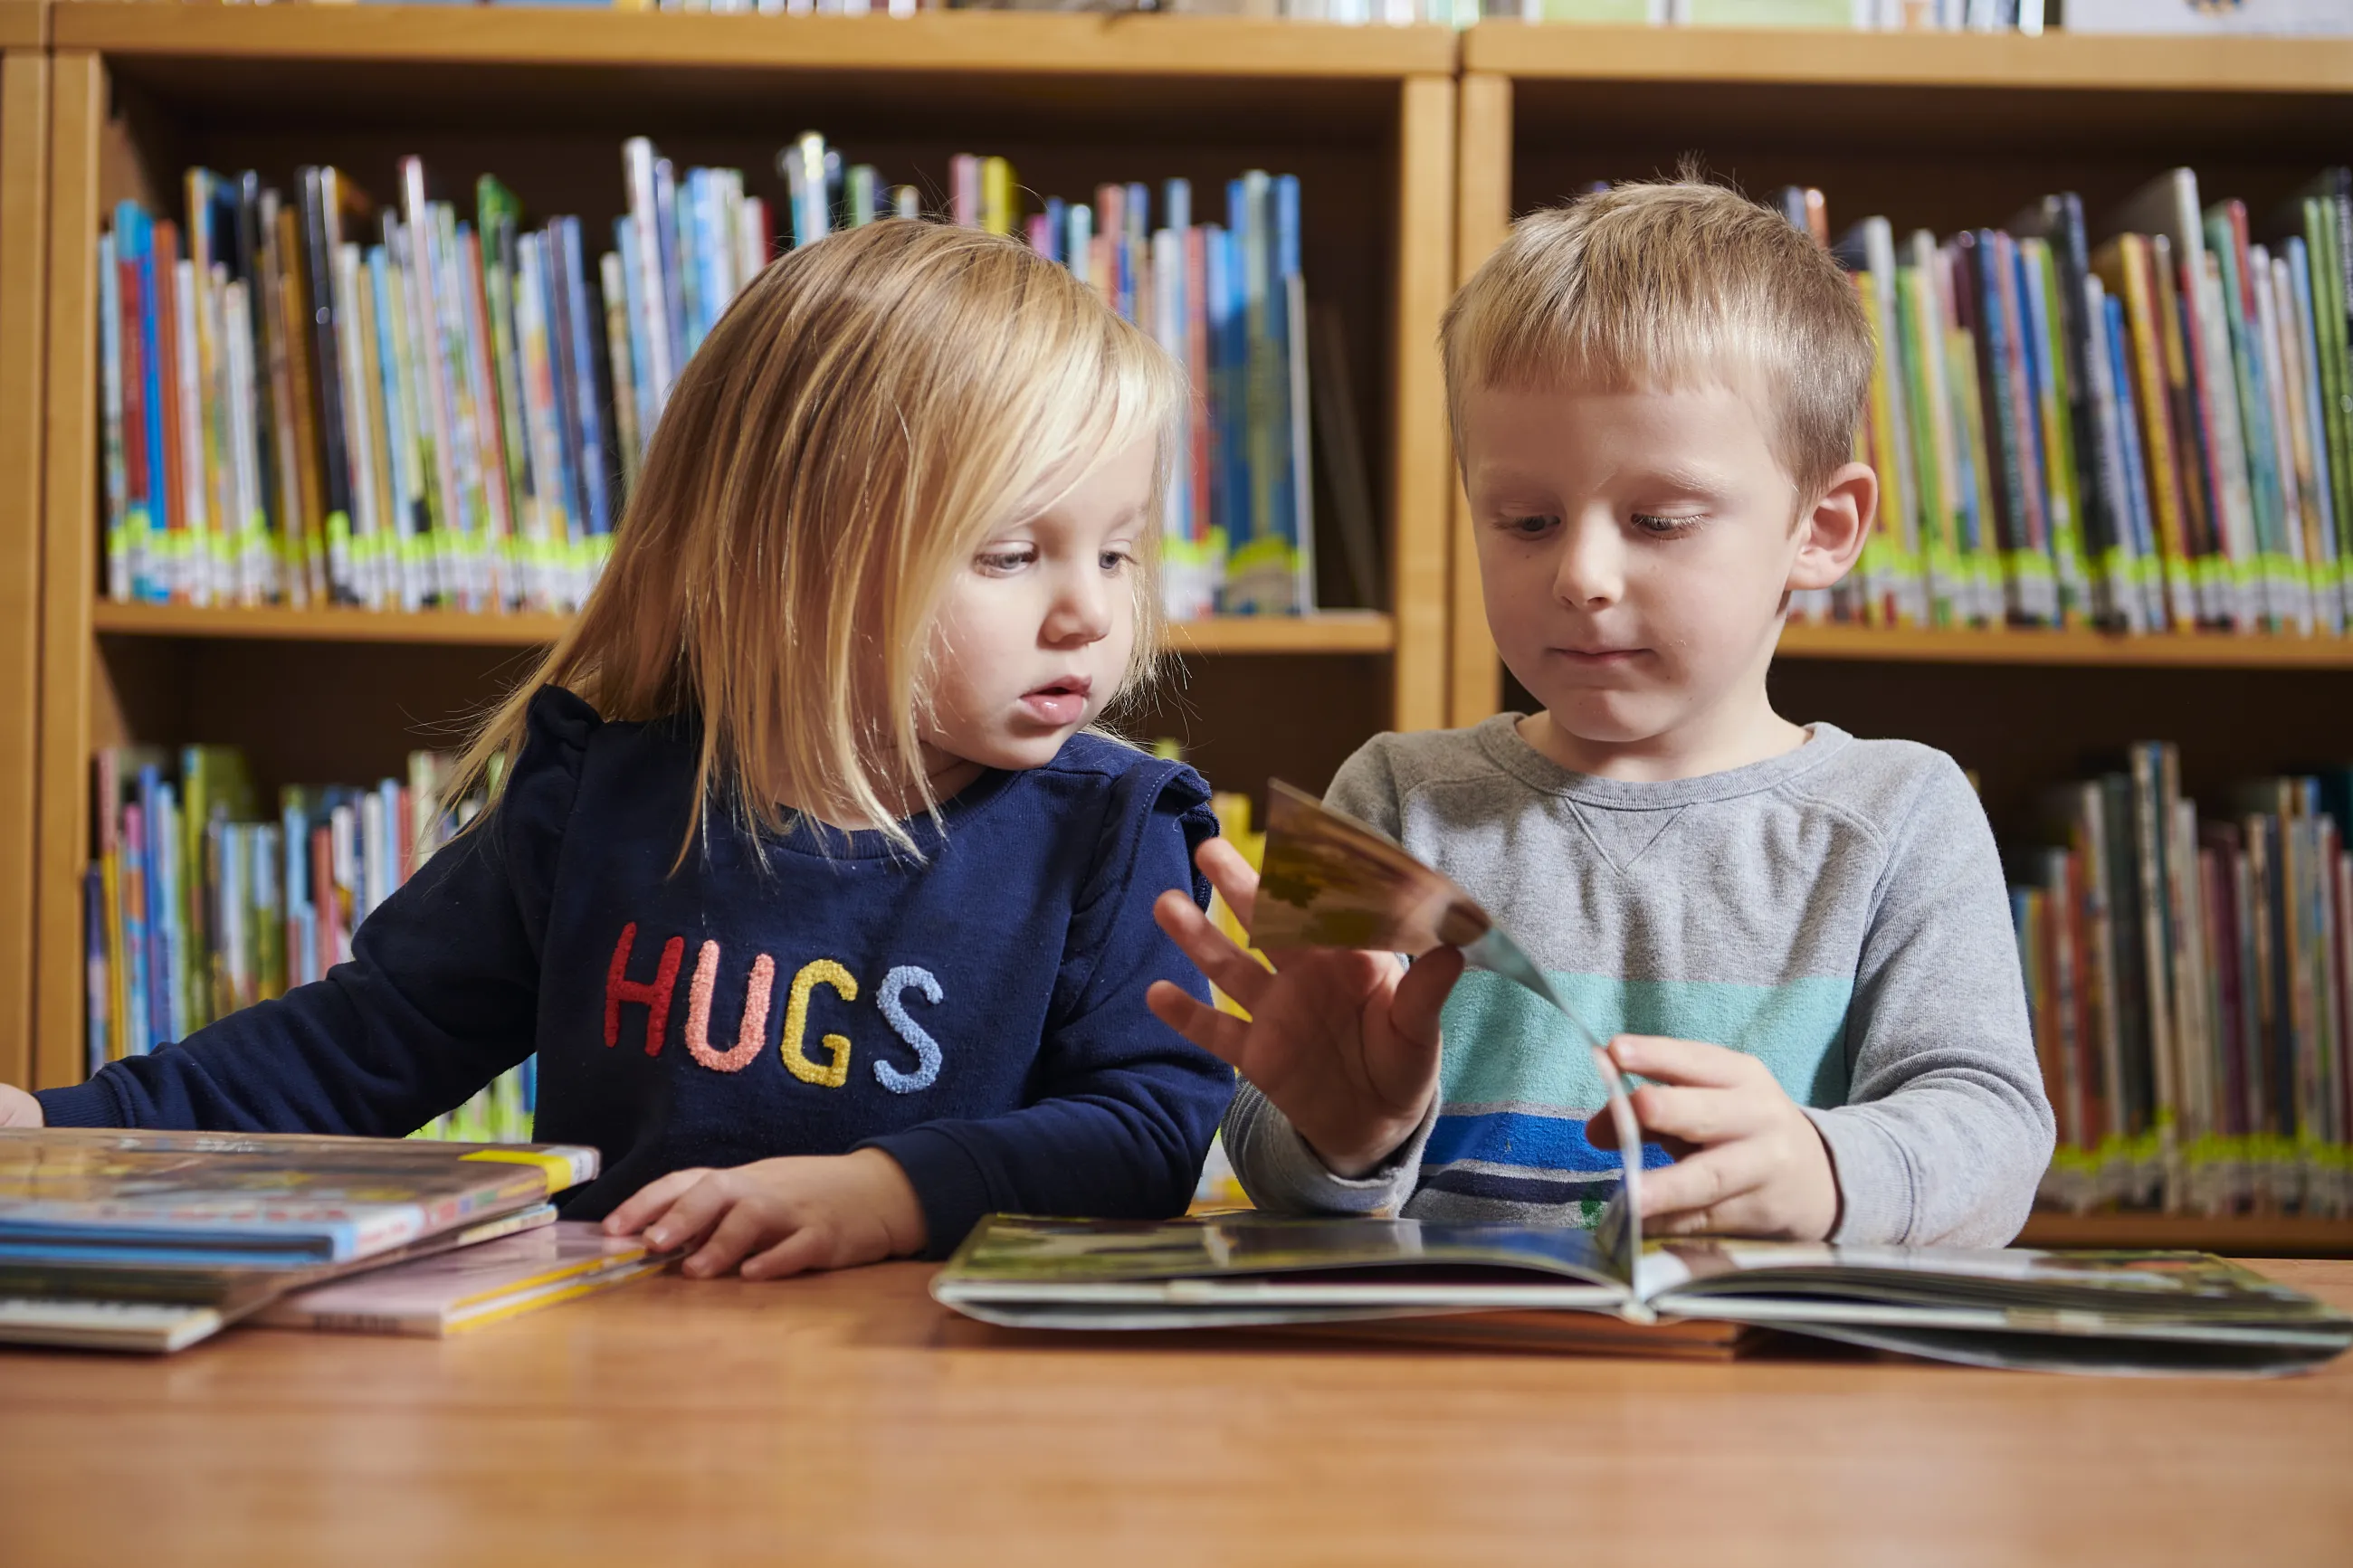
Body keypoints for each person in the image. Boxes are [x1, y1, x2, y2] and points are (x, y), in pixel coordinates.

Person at [3, 221, 1234, 1281]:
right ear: (791, 553)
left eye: (1117, 553)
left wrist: (890, 1193)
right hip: (625, 1374)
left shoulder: (1116, 833)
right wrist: (65, 1128)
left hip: (939, 1387)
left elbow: (1147, 1132)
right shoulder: (603, 798)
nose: (1089, 612)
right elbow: (352, 1050)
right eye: (1012, 555)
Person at [1149, 179, 2054, 1248]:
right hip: (1437, 1394)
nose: (1579, 574)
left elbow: (1991, 1130)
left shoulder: (1902, 811)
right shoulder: (1389, 793)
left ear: (1821, 527)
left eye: (1658, 520)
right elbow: (1277, 1145)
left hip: (1761, 1386)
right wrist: (1346, 1135)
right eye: (1525, 519)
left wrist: (1824, 1168)